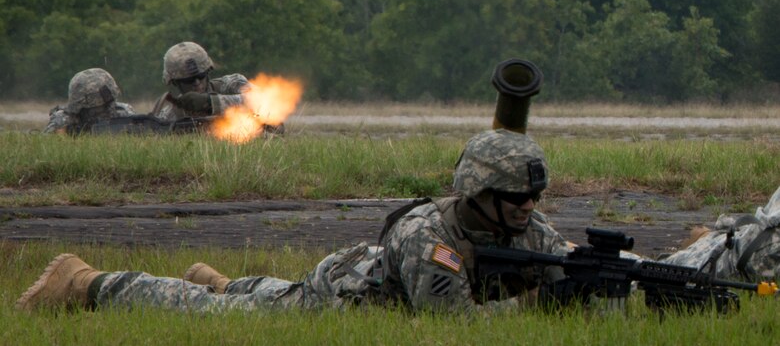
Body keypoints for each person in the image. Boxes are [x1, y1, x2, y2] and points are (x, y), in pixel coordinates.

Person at [16, 129, 570, 314]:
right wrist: (541, 303)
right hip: (341, 294)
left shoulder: (530, 231)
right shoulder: (428, 239)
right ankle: (88, 281)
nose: (528, 206)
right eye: (514, 196)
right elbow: (459, 330)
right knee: (216, 317)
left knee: (251, 297)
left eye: (534, 195)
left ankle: (225, 281)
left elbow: (565, 263)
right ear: (478, 192)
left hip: (364, 278)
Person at [150, 41, 283, 134]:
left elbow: (266, 102)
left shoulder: (231, 84)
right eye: (188, 80)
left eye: (201, 76)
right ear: (175, 82)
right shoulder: (169, 116)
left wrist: (211, 103)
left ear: (208, 71)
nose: (197, 83)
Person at [660, 185, 780, 282]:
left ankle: (706, 238)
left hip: (741, 257)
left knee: (665, 269)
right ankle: (707, 238)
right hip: (749, 245)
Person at [44, 68, 135, 134]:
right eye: (95, 110)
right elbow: (46, 143)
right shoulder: (65, 119)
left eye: (102, 108)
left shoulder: (123, 112)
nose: (100, 112)